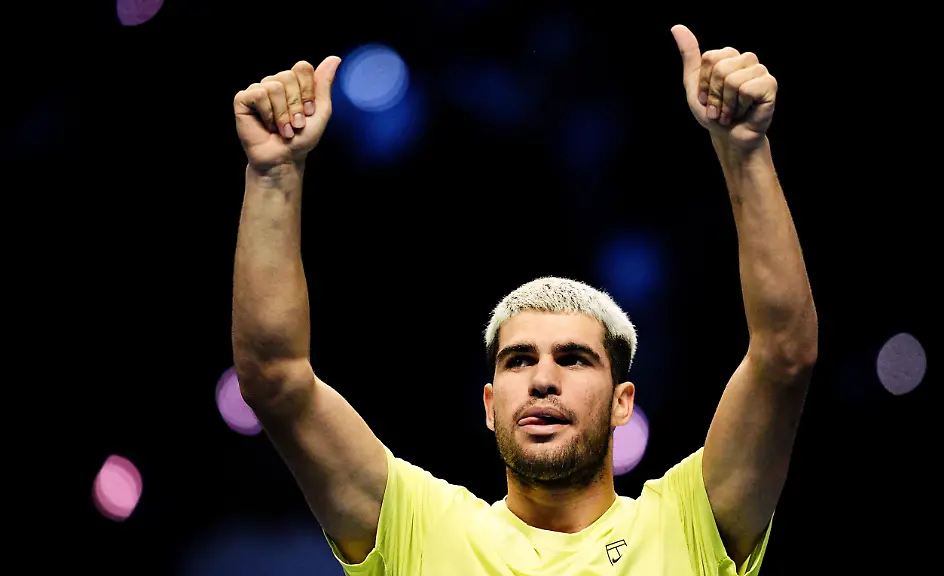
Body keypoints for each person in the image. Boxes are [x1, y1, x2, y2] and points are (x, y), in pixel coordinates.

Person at [231, 24, 817, 576]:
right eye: (518, 360)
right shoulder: (419, 527)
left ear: (622, 402)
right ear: (489, 405)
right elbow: (276, 379)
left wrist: (745, 153)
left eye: (573, 358)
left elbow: (784, 355)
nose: (542, 380)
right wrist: (273, 173)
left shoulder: (690, 523)